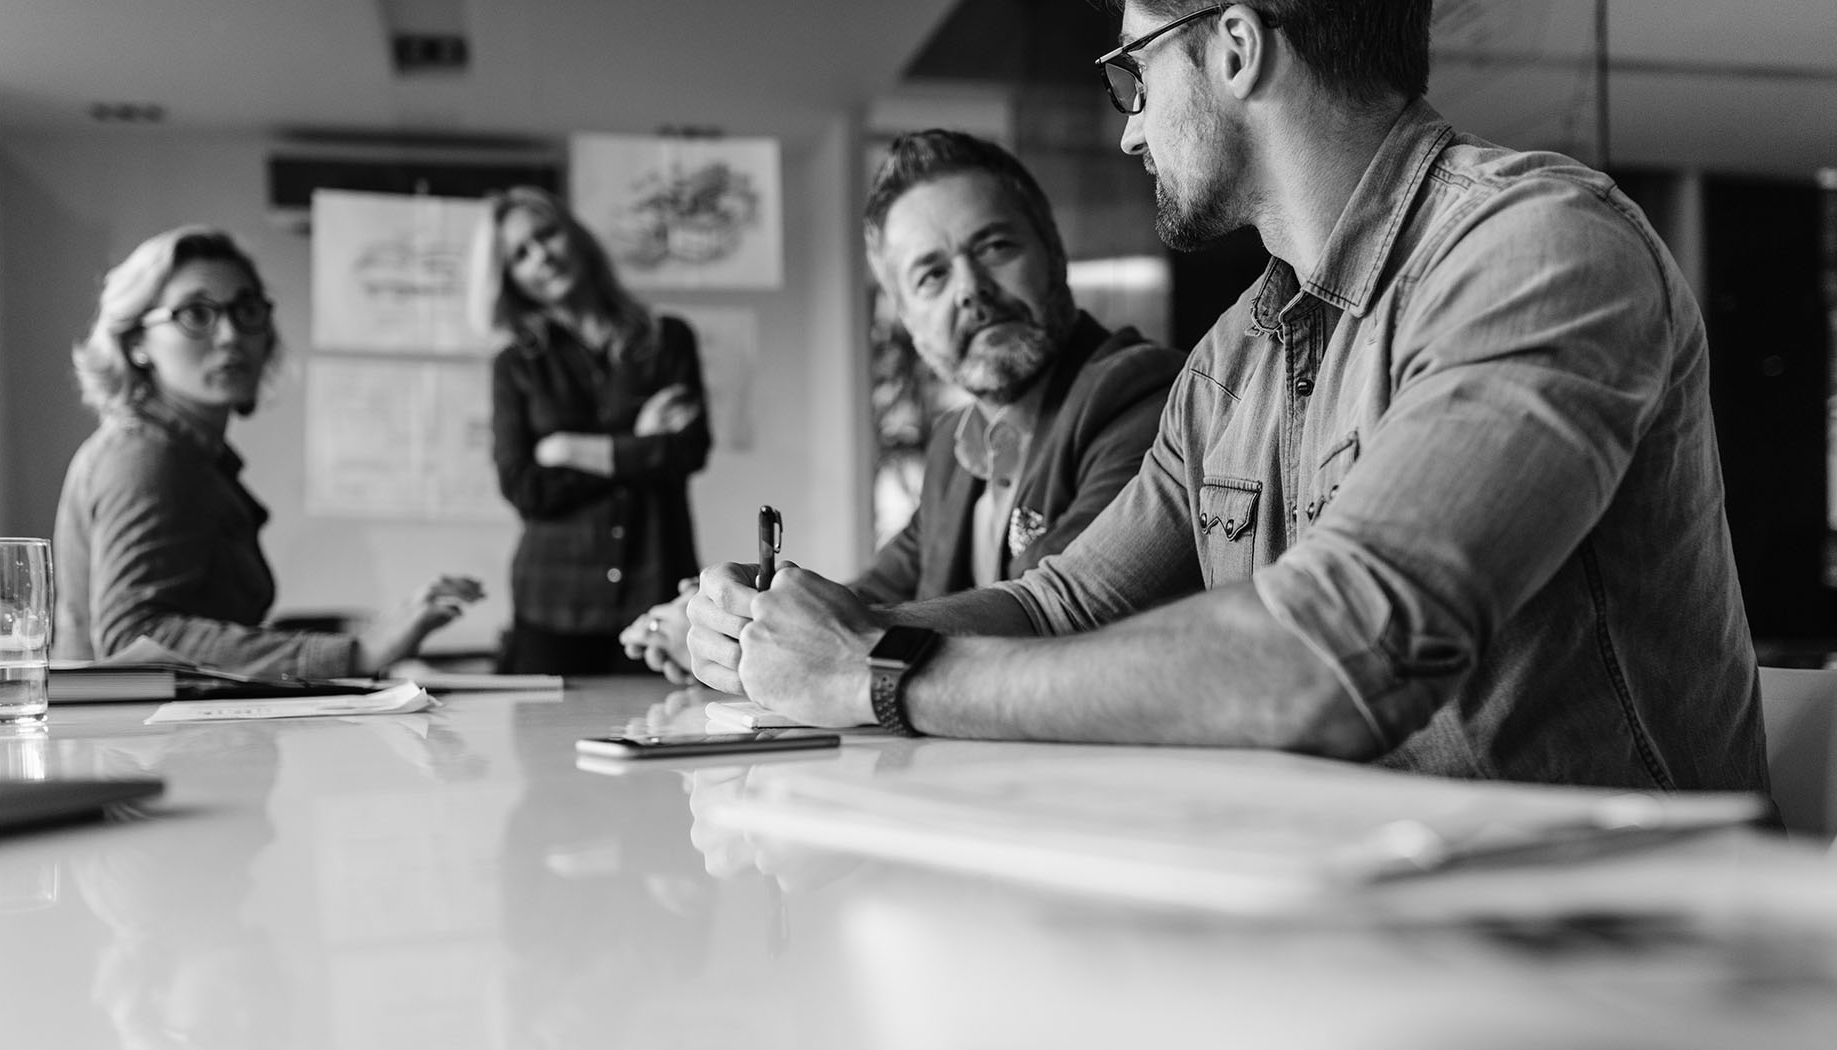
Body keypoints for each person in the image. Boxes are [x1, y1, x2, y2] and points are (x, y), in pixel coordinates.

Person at [685, 0, 1769, 791]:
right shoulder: (1228, 361)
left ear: (1235, 48)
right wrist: (799, 639)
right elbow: (1062, 603)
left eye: (1133, 74)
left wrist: (881, 678)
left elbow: (1340, 655)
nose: (1128, 127)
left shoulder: (1538, 247)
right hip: (1364, 925)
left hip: (1614, 968)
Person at [621, 130, 1187, 682]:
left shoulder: (1140, 396)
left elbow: (1061, 612)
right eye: (931, 275)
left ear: (1055, 253)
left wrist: (794, 638)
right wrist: (738, 613)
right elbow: (873, 593)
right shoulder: (953, 444)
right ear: (907, 319)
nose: (969, 289)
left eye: (995, 247)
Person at [54, 225, 483, 678]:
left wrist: (362, 632)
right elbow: (134, 637)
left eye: (247, 310)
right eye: (196, 314)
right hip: (134, 745)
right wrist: (354, 653)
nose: (230, 335)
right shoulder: (146, 456)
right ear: (137, 343)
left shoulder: (192, 457)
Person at [473, 186, 711, 675]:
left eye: (547, 235)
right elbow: (523, 486)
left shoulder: (667, 340)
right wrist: (638, 444)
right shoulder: (516, 366)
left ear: (574, 235)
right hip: (552, 604)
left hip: (657, 592)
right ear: (509, 278)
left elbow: (687, 451)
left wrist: (567, 449)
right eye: (520, 253)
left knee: (666, 737)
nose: (541, 256)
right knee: (544, 751)